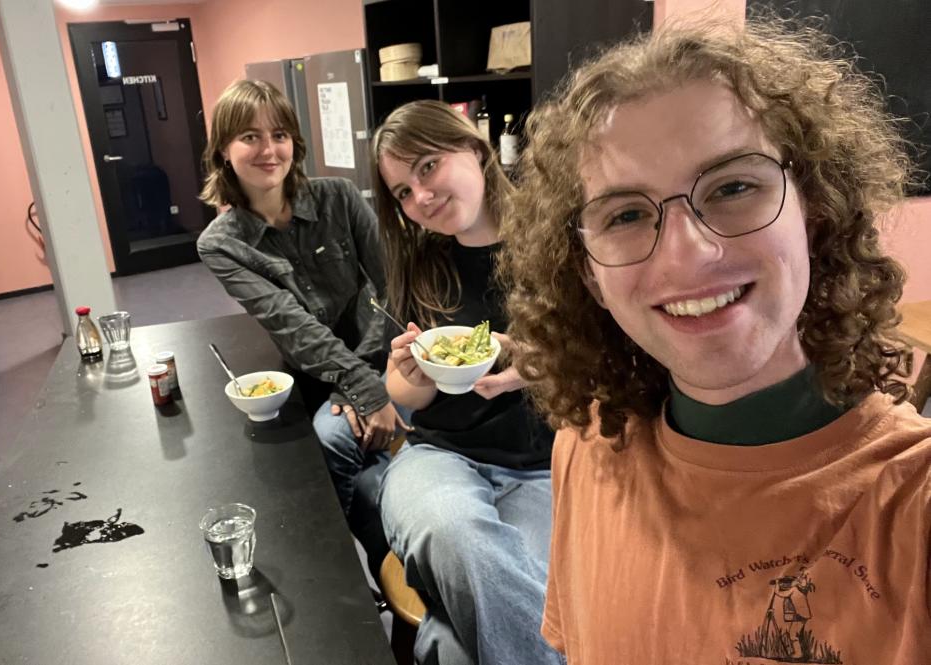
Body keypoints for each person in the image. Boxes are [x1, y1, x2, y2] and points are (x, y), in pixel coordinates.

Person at [501, 17, 931, 662]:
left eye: (733, 187)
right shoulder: (586, 449)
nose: (688, 253)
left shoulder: (908, 504)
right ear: (588, 274)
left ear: (812, 209)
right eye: (625, 214)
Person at [372, 100, 558, 665]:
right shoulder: (420, 262)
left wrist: (540, 363)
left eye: (428, 167)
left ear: (475, 149)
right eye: (403, 191)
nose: (420, 197)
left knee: (448, 645)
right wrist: (411, 376)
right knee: (458, 534)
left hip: (543, 468)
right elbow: (404, 402)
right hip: (436, 459)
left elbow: (612, 368)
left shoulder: (553, 242)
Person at [196, 81, 406, 575]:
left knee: (348, 446)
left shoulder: (338, 197)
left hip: (387, 360)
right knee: (330, 443)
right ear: (224, 151)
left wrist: (373, 380)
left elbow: (391, 287)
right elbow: (292, 328)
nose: (269, 149)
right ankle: (368, 574)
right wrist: (359, 387)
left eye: (281, 134)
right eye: (250, 136)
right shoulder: (221, 245)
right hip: (321, 377)